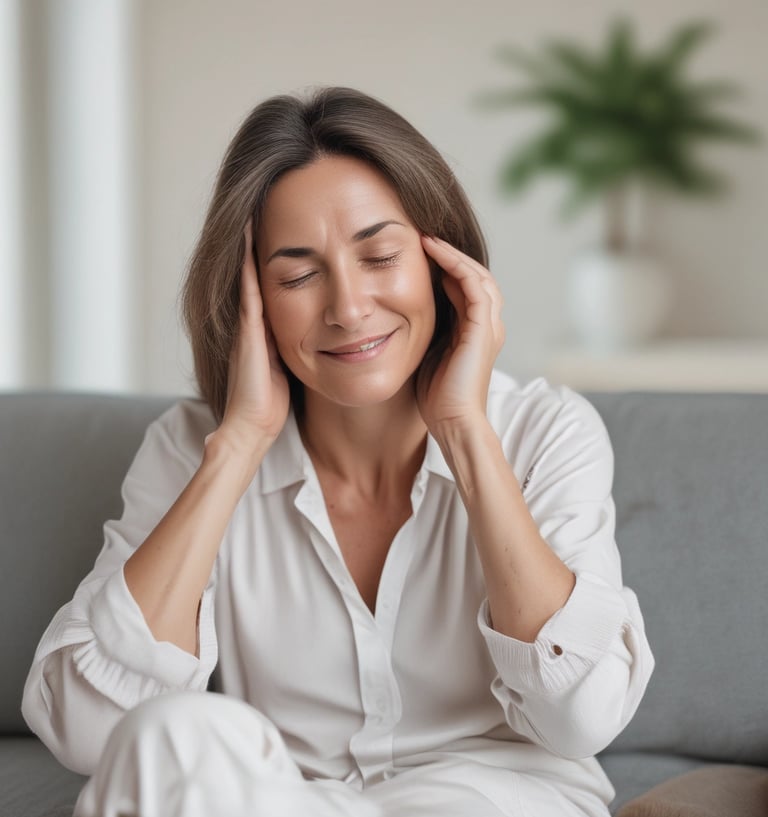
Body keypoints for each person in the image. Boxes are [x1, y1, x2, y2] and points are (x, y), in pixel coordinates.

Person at [22, 86, 654, 817]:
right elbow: (90, 730)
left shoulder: (546, 432)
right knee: (172, 732)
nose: (349, 308)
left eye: (380, 255)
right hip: (290, 803)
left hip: (493, 802)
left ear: (442, 265)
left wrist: (465, 431)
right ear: (249, 294)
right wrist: (240, 445)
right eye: (297, 275)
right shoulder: (192, 448)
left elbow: (584, 714)